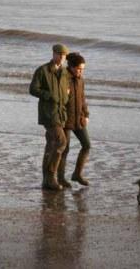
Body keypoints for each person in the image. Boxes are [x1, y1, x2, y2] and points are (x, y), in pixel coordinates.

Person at [29, 44, 70, 191]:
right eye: (59, 55)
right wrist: (48, 95)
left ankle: (46, 180)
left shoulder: (65, 72)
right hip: (48, 113)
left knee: (51, 144)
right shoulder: (43, 70)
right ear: (53, 54)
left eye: (64, 56)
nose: (62, 58)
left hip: (61, 114)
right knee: (61, 142)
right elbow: (32, 89)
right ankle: (51, 176)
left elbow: (67, 91)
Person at [58, 52, 91, 187]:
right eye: (79, 69)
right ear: (71, 66)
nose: (81, 71)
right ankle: (60, 178)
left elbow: (83, 99)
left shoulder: (81, 80)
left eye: (82, 69)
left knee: (87, 145)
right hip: (65, 120)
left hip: (79, 119)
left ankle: (77, 174)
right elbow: (58, 100)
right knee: (65, 149)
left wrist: (86, 114)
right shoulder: (63, 78)